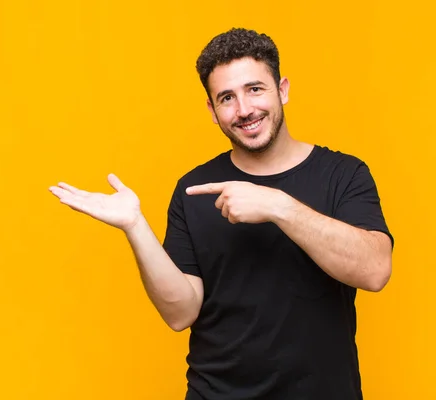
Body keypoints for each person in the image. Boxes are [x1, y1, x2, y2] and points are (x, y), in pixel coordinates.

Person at [49, 28, 393, 400]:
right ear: (213, 111)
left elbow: (374, 271)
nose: (244, 110)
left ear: (283, 90)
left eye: (255, 89)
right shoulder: (194, 189)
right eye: (227, 98)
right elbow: (180, 313)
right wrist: (135, 226)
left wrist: (278, 206)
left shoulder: (344, 174)